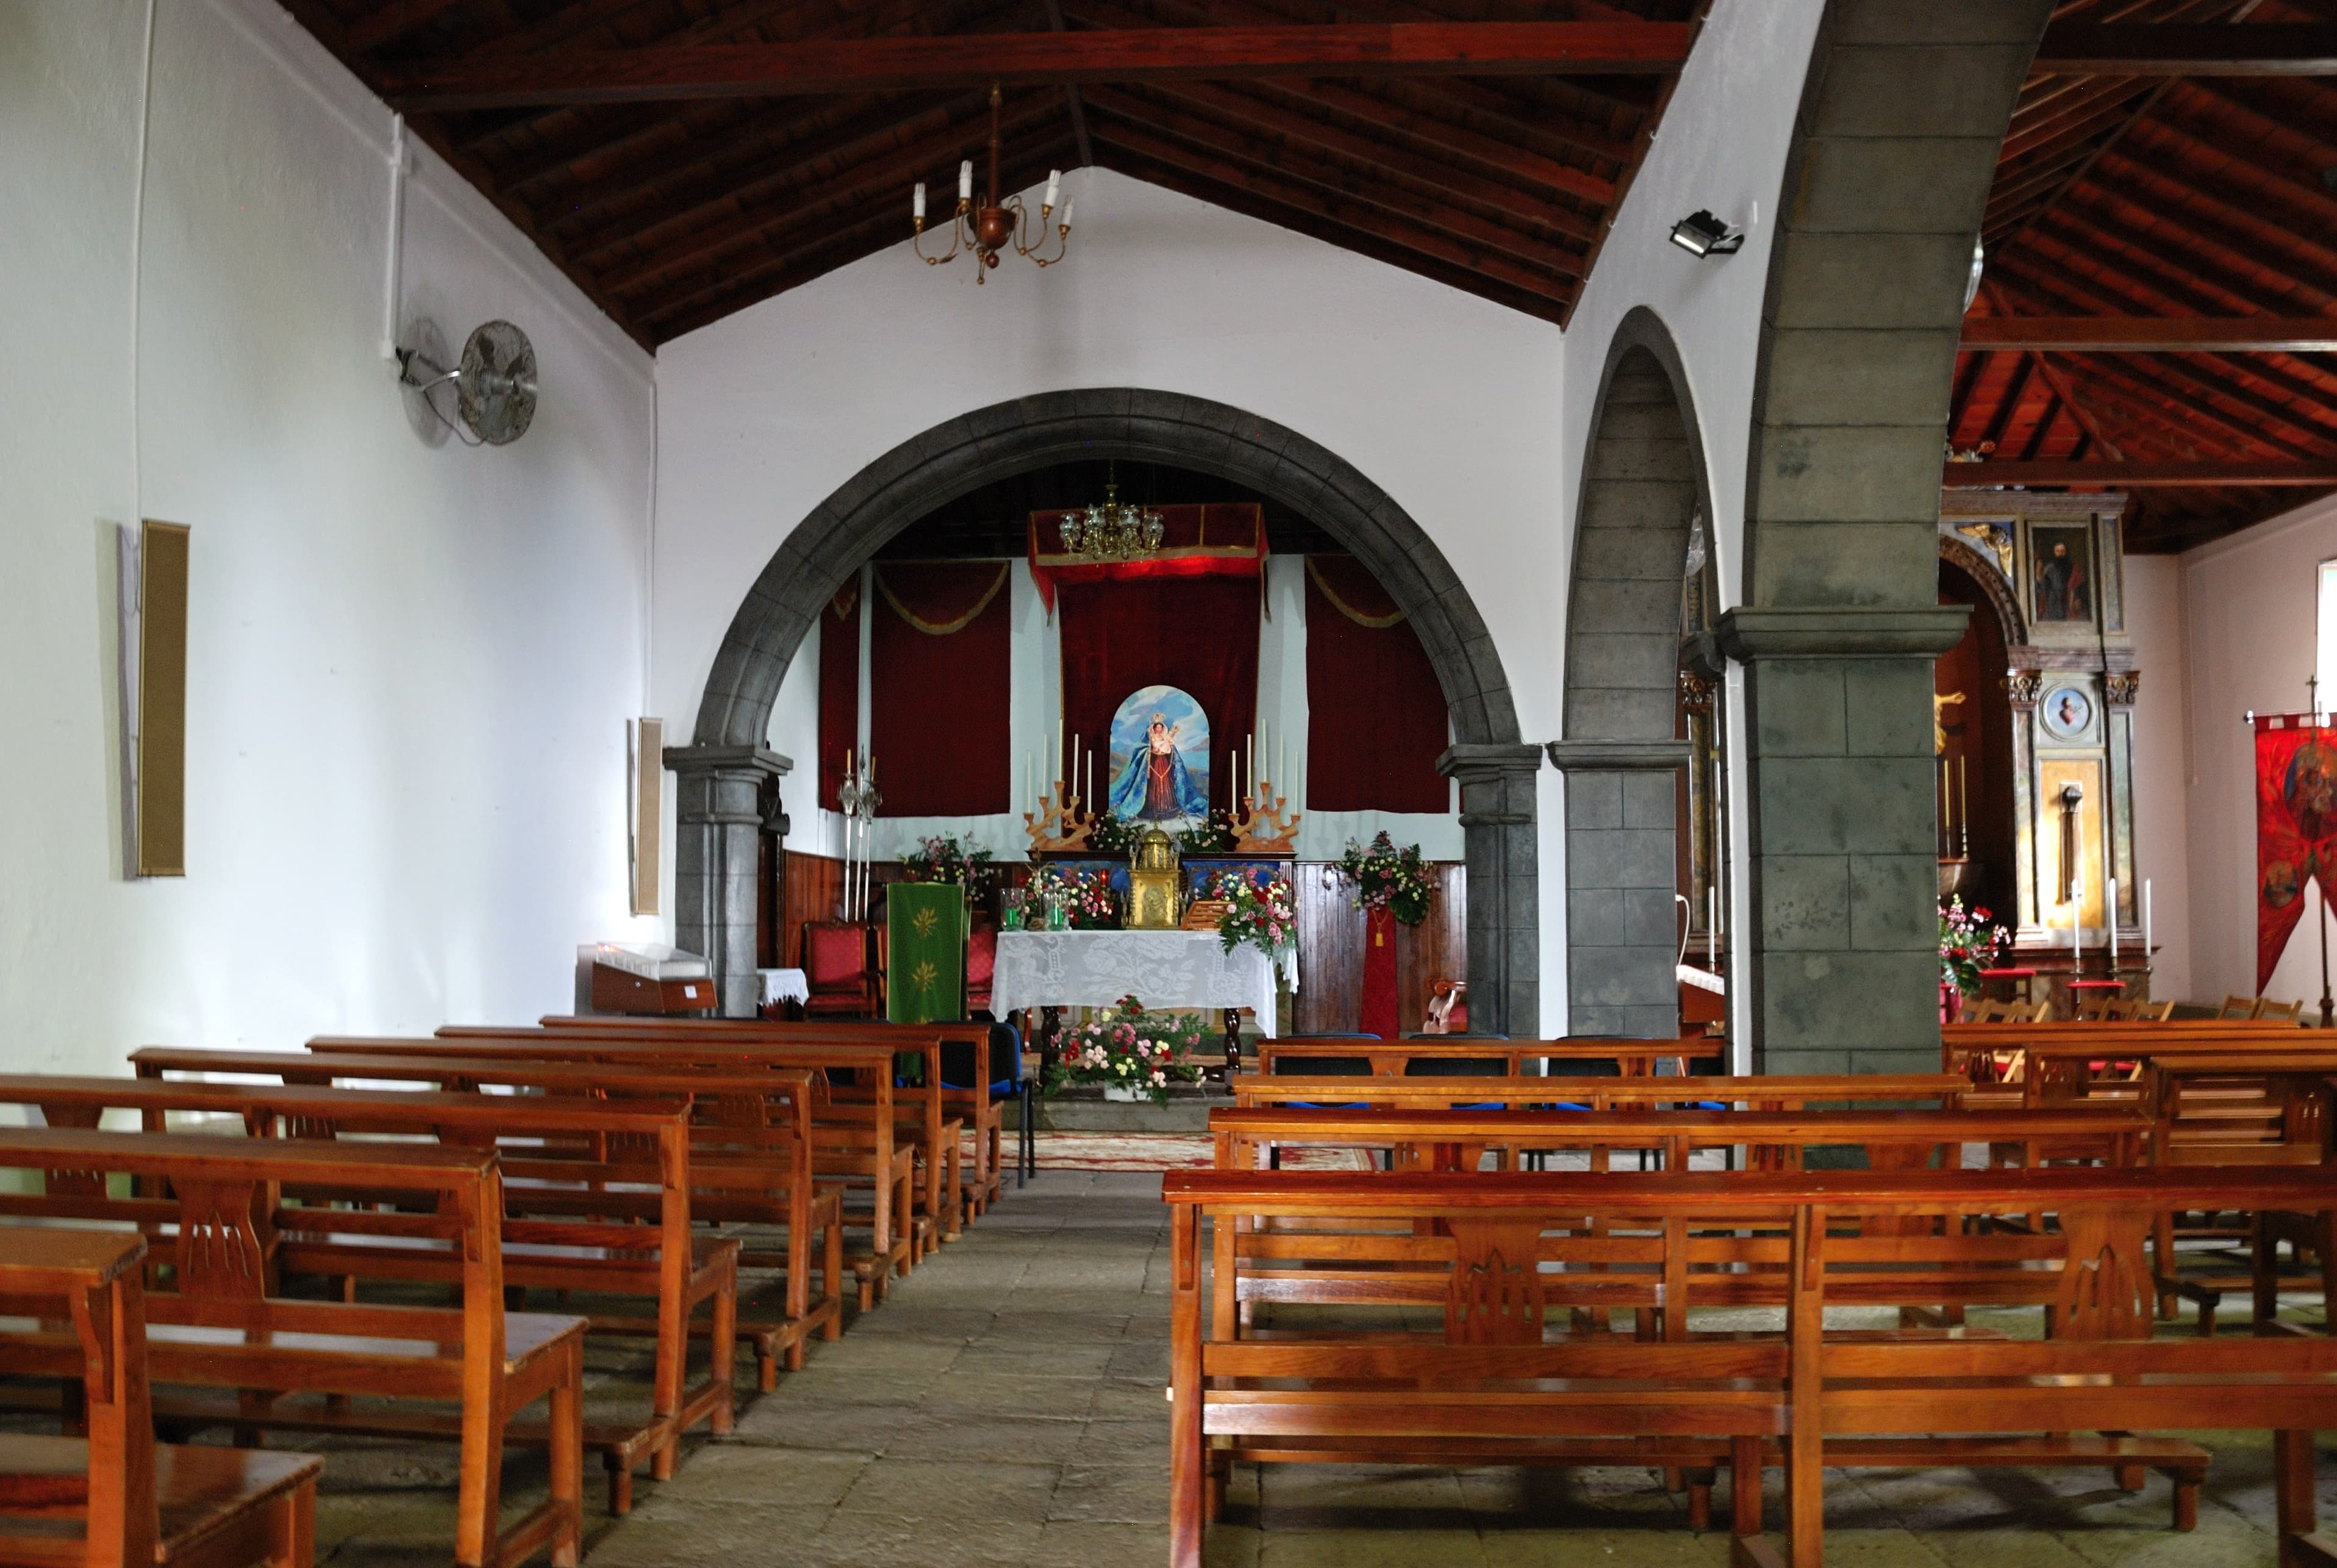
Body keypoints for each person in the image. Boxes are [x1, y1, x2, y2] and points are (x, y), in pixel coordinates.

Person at [1108, 712, 1208, 822]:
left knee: (1166, 783)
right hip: (1154, 762)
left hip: (1164, 762)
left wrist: (1170, 738)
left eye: (1161, 728)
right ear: (1154, 728)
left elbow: (1169, 745)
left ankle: (1168, 807)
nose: (1159, 730)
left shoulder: (1165, 737)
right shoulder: (1152, 737)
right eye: (1157, 728)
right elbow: (1150, 747)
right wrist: (1151, 748)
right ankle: (1151, 808)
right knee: (1153, 783)